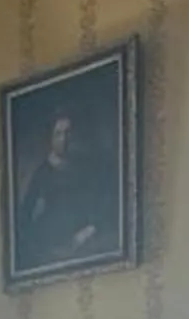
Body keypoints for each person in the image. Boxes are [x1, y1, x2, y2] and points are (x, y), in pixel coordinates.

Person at [12, 104, 117, 270]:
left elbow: (101, 204)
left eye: (68, 133)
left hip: (84, 240)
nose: (64, 139)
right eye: (59, 134)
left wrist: (89, 230)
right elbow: (26, 216)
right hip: (53, 245)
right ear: (51, 138)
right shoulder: (42, 173)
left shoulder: (86, 167)